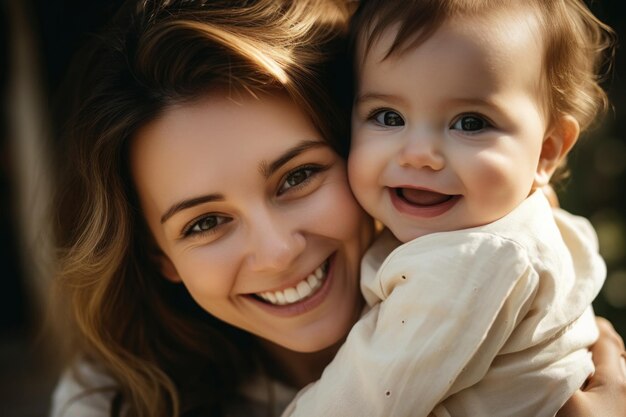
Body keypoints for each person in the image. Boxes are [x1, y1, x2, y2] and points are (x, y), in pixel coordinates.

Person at [47, 1, 626, 417]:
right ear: (159, 254)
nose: (278, 252)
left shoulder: (489, 271)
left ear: (354, 147)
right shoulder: (109, 400)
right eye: (204, 223)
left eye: (298, 176)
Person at [283, 0, 617, 416]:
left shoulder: (467, 265)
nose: (419, 154)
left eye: (470, 123)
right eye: (387, 117)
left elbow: (355, 404)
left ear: (546, 152)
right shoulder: (523, 224)